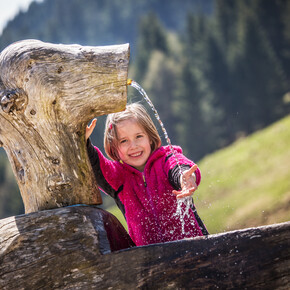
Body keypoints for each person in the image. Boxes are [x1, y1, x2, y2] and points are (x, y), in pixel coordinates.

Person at [86, 103, 208, 247]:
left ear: (150, 137)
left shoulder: (166, 158)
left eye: (139, 136)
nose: (134, 145)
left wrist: (185, 179)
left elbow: (179, 166)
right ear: (114, 146)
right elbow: (95, 165)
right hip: (150, 263)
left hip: (196, 250)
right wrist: (83, 142)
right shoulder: (118, 178)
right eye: (124, 141)